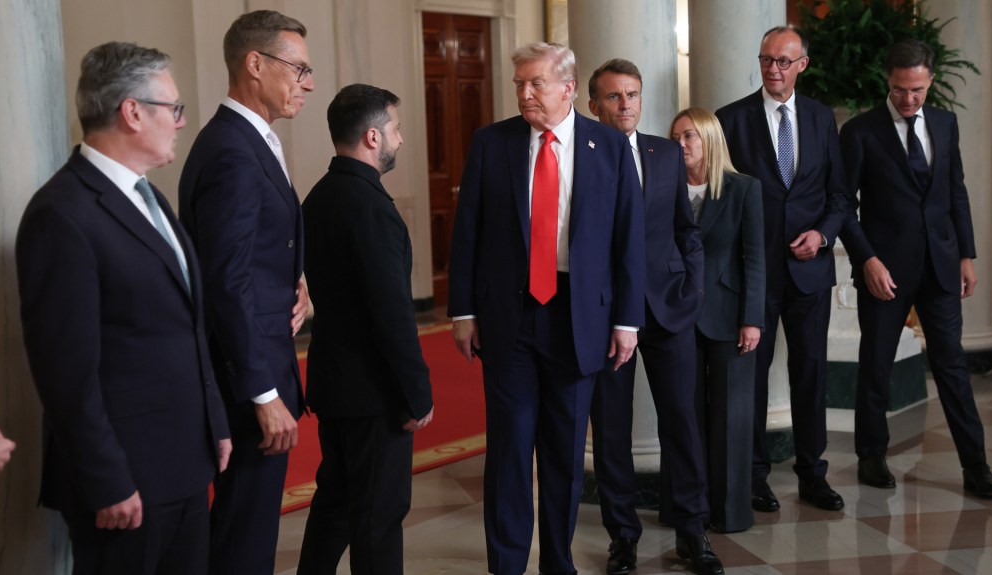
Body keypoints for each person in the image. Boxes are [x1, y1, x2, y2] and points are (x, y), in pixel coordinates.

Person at [16, 41, 231, 574]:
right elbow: (67, 373)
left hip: (182, 464)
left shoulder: (148, 196)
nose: (181, 122)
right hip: (124, 484)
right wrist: (106, 478)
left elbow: (182, 326)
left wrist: (214, 422)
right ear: (132, 111)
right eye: (173, 108)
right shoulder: (61, 215)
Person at [447, 43, 645, 575]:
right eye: (518, 83)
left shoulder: (608, 145)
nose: (525, 92)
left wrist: (627, 321)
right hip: (507, 319)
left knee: (563, 454)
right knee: (509, 452)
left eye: (535, 82)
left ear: (568, 87)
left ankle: (559, 563)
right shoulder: (494, 143)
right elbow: (468, 232)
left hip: (579, 319)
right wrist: (462, 311)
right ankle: (507, 565)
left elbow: (628, 240)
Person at [178, 10, 313, 574]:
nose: (307, 82)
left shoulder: (250, 139)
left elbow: (256, 252)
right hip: (246, 376)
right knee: (244, 531)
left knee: (248, 523)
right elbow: (225, 281)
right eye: (299, 68)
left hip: (258, 355)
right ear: (255, 64)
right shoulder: (233, 150)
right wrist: (262, 394)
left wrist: (297, 284)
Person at [839, 40, 992, 498]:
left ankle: (976, 466)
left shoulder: (946, 124)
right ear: (887, 81)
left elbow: (956, 193)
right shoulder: (859, 132)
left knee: (952, 366)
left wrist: (966, 256)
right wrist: (867, 259)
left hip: (941, 266)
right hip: (884, 270)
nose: (907, 99)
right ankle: (871, 455)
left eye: (916, 90)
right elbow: (842, 205)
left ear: (930, 80)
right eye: (898, 89)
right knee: (876, 365)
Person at [586, 60, 720, 575]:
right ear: (593, 104)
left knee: (682, 422)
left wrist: (693, 286)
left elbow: (686, 228)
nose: (626, 105)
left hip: (668, 307)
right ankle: (623, 537)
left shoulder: (665, 153)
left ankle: (692, 531)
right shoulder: (582, 153)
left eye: (633, 95)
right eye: (615, 96)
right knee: (612, 429)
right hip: (604, 314)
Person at [296, 84, 435, 574]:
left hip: (334, 383)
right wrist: (417, 394)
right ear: (373, 137)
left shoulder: (319, 196)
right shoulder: (372, 208)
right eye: (395, 129)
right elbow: (392, 316)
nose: (400, 139)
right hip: (374, 395)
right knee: (378, 516)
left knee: (336, 500)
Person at [716, 25, 850, 513]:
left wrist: (823, 234)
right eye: (766, 60)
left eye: (783, 62)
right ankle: (754, 475)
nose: (773, 69)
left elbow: (838, 195)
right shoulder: (730, 119)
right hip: (753, 276)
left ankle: (813, 474)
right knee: (748, 378)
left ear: (802, 65)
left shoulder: (819, 119)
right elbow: (719, 198)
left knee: (811, 374)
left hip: (809, 273)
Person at [670, 107, 765, 533]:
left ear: (709, 139)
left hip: (730, 316)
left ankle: (729, 513)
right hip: (677, 316)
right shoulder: (664, 188)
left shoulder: (744, 189)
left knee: (732, 418)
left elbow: (754, 258)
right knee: (684, 415)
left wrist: (752, 318)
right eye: (676, 138)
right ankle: (686, 511)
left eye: (689, 136)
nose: (681, 145)